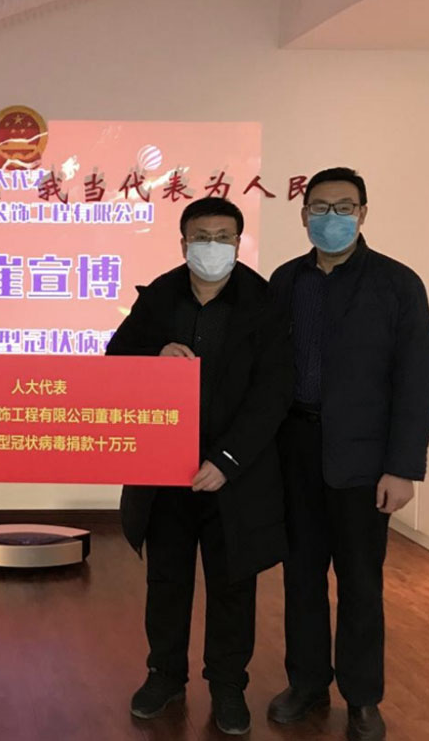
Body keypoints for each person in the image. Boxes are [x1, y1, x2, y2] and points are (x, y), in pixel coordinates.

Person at [106, 196, 293, 736]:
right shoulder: (158, 297)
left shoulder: (264, 302)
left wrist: (227, 460)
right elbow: (114, 365)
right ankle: (164, 674)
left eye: (223, 237)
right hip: (166, 472)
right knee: (167, 580)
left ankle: (228, 685)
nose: (212, 247)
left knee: (234, 585)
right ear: (183, 242)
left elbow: (274, 392)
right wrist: (153, 359)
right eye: (201, 237)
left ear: (238, 242)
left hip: (236, 474)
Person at [267, 168, 429, 741]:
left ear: (363, 213)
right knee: (301, 578)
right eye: (320, 207)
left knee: (361, 583)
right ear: (303, 214)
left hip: (364, 461)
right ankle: (307, 683)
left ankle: (362, 697)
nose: (331, 217)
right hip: (295, 451)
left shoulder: (397, 284)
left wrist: (403, 468)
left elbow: (414, 382)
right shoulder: (286, 281)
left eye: (344, 207)